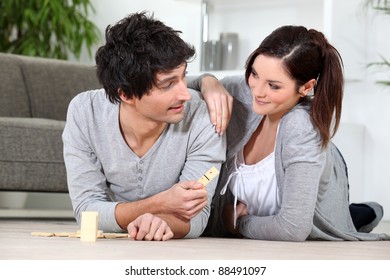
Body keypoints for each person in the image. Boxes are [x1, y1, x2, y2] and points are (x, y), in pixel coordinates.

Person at [188, 25, 390, 241]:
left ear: (306, 87)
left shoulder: (302, 128)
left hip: (324, 176)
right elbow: (175, 82)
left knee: (343, 220)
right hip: (277, 194)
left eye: (273, 86)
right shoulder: (244, 92)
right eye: (255, 73)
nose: (257, 90)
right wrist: (208, 82)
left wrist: (238, 224)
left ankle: (359, 213)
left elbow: (292, 228)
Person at [62, 12, 226, 241]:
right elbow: (87, 211)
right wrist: (160, 204)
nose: (185, 94)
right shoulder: (85, 112)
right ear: (126, 94)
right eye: (168, 84)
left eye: (184, 77)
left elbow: (197, 216)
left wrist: (161, 222)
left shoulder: (204, 115)